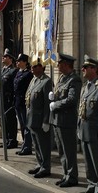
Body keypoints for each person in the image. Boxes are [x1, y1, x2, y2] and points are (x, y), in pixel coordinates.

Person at [49, 53, 82, 187]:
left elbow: (71, 100)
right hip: (57, 120)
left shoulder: (74, 80)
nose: (58, 66)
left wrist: (55, 104)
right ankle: (66, 174)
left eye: (60, 64)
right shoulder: (62, 78)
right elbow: (59, 95)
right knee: (61, 151)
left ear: (66, 65)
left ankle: (72, 177)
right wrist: (53, 98)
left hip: (67, 121)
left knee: (69, 151)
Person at [26, 59, 52, 178]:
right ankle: (39, 163)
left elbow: (48, 104)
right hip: (32, 118)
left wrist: (46, 121)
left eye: (36, 66)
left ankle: (45, 167)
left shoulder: (46, 81)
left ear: (42, 67)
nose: (33, 68)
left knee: (43, 145)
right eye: (32, 66)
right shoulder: (34, 80)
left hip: (41, 119)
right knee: (36, 144)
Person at [77, 55, 98, 193]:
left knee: (96, 160)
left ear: (94, 69)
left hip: (95, 131)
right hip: (84, 129)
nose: (82, 69)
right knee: (88, 162)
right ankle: (91, 184)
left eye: (86, 67)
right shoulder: (85, 87)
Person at [14, 53, 33, 155]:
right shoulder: (18, 73)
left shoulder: (28, 74)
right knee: (22, 125)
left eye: (19, 61)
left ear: (25, 62)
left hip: (24, 103)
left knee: (26, 126)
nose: (17, 62)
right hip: (18, 102)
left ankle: (27, 146)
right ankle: (24, 145)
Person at [0, 48, 18, 149]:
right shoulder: (3, 70)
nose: (3, 58)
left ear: (10, 59)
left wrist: (12, 99)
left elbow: (14, 86)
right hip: (2, 99)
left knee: (10, 120)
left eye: (5, 56)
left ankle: (12, 140)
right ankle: (6, 139)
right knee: (4, 121)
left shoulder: (13, 70)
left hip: (8, 99)